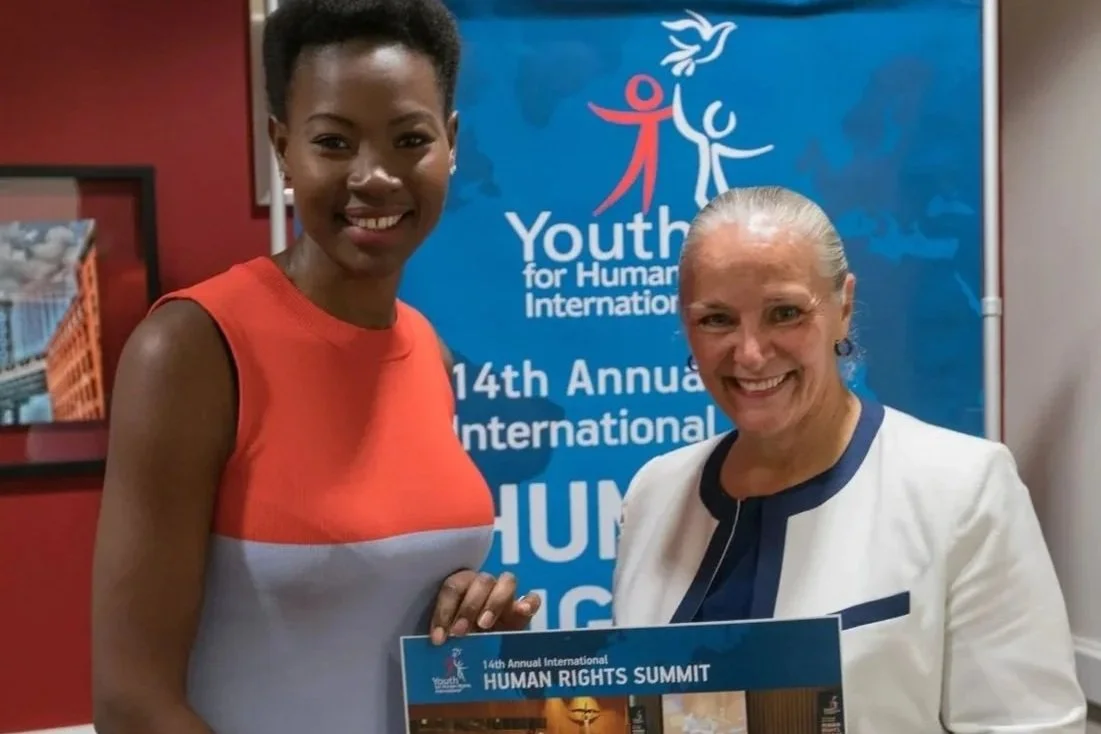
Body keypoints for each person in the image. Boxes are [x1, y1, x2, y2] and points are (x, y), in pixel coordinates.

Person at [89, 2, 537, 733]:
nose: (376, 177)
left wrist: (469, 624)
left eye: (409, 139)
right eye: (333, 142)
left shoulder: (429, 352)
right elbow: (130, 704)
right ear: (282, 146)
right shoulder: (193, 349)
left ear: (450, 145)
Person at [612, 186, 1086, 732]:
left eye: (784, 312)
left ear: (844, 306)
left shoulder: (961, 488)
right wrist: (496, 665)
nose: (749, 352)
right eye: (716, 319)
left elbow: (1030, 724)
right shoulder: (654, 493)